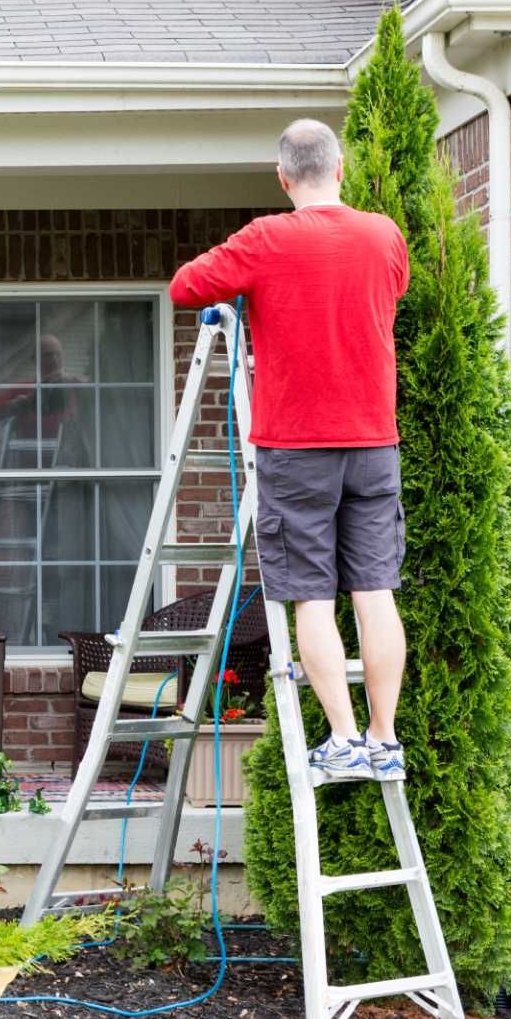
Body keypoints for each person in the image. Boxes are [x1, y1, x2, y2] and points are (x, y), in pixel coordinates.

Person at [167, 118, 410, 783]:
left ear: (282, 177)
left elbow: (186, 286)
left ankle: (342, 738)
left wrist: (254, 285)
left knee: (310, 596)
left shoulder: (266, 238)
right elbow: (390, 291)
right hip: (373, 443)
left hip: (297, 447)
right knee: (375, 591)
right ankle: (386, 741)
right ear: (342, 169)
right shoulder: (382, 235)